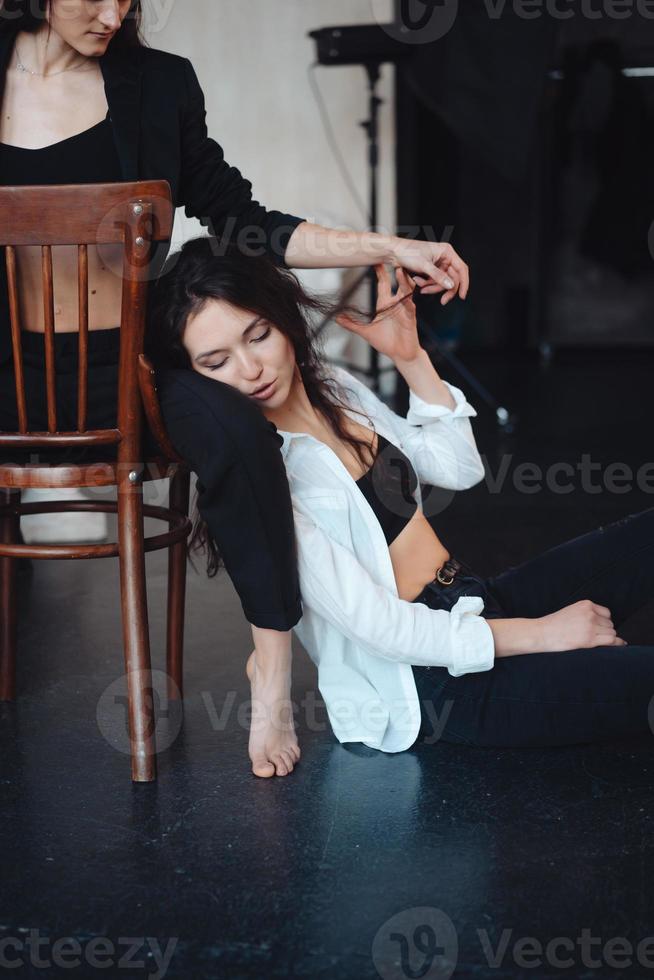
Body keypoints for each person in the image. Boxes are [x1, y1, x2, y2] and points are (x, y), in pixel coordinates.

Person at [0, 0, 471, 779]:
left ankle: (272, 675)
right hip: (10, 372)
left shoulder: (158, 86)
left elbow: (245, 222)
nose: (114, 12)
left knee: (242, 433)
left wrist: (392, 243)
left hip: (134, 376)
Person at [146, 237, 654, 763]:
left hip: (471, 603)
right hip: (433, 684)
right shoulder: (267, 478)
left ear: (282, 318)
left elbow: (458, 467)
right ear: (193, 382)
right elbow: (380, 628)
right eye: (216, 362)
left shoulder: (334, 389)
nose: (251, 368)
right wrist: (545, 634)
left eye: (258, 335)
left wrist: (412, 359)